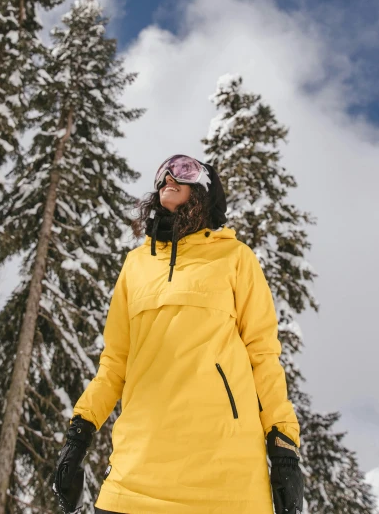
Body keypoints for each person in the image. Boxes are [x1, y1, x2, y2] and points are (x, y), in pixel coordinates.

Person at [54, 154, 304, 513]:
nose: (169, 176)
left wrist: (283, 449)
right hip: (134, 480)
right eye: (163, 173)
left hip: (226, 483)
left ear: (205, 189)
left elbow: (262, 356)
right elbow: (114, 364)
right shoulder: (136, 266)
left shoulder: (235, 258)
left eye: (184, 170)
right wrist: (78, 436)